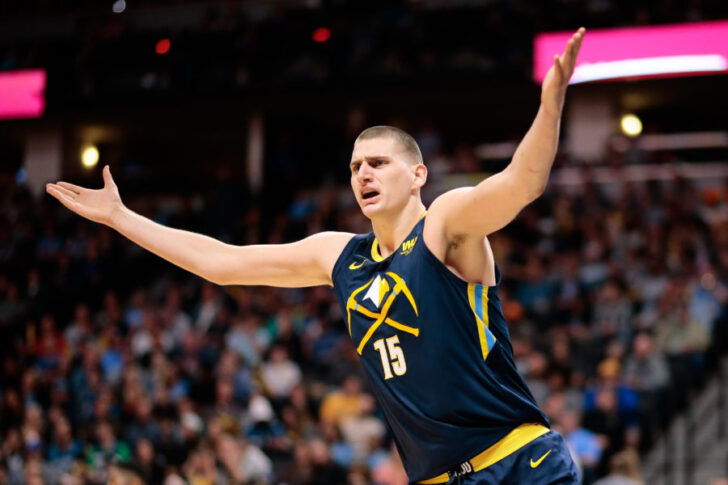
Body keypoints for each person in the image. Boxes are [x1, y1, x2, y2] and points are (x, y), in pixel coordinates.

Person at [47, 28, 585, 485]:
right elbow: (221, 263)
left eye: (377, 163)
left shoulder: (444, 224)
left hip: (519, 462)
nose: (363, 175)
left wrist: (549, 106)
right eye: (355, 167)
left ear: (417, 174)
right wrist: (121, 218)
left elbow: (520, 184)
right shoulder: (339, 255)